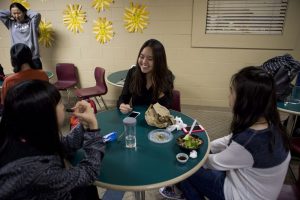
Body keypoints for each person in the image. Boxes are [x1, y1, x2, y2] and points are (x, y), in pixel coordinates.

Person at [160, 66, 291, 200]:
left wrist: (191, 152)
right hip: (256, 187)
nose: (228, 95)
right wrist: (207, 146)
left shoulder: (248, 141)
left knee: (187, 167)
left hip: (241, 194)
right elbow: (229, 140)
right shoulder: (270, 124)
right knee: (191, 175)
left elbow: (213, 163)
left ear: (245, 101)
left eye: (231, 91)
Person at [0, 80, 105, 199]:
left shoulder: (22, 134)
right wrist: (93, 128)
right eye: (60, 103)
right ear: (44, 114)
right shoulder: (39, 170)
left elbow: (63, 146)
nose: (64, 106)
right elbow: (90, 172)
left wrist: (84, 125)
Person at [117, 39, 174, 114]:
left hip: (157, 120)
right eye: (142, 57)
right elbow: (123, 97)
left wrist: (158, 89)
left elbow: (168, 106)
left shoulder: (167, 76)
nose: (144, 62)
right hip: (137, 118)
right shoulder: (132, 72)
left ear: (159, 61)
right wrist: (122, 105)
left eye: (150, 59)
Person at [0, 2, 42, 69]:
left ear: (24, 12)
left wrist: (25, 10)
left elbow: (37, 15)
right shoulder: (11, 24)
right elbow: (1, 14)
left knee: (38, 79)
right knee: (22, 79)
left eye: (19, 13)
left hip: (33, 58)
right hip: (18, 59)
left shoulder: (32, 23)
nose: (16, 16)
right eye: (14, 14)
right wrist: (12, 11)